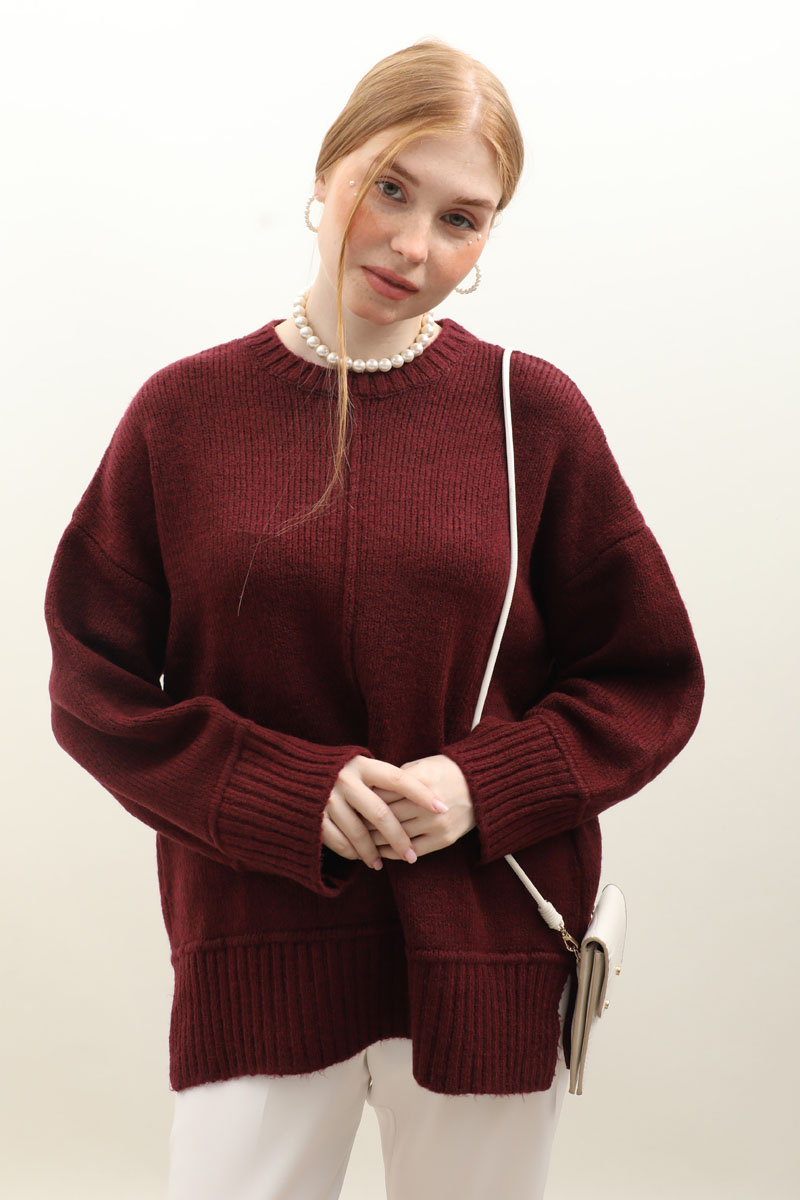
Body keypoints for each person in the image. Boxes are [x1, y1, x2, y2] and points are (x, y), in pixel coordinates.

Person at [43, 37, 704, 1200]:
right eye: (390, 187)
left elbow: (647, 680)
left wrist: (478, 786)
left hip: (488, 951)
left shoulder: (530, 412)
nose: (411, 244)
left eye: (460, 219)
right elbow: (93, 686)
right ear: (327, 168)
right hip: (256, 944)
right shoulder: (183, 414)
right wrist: (284, 795)